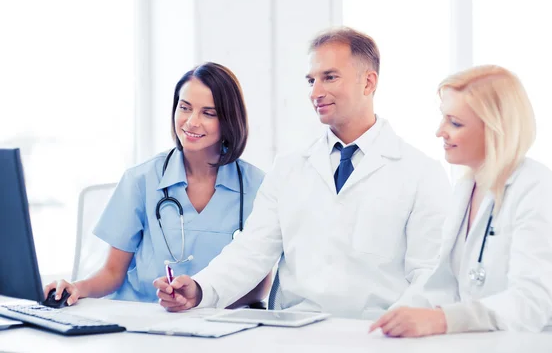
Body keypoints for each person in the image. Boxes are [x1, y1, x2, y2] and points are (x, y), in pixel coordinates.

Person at [153, 27, 452, 319]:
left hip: (374, 335)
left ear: (368, 82)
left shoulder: (421, 173)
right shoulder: (289, 168)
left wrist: (402, 324)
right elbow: (251, 251)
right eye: (311, 81)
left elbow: (429, 273)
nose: (315, 93)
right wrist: (201, 288)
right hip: (294, 332)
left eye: (329, 77)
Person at [370, 65, 552, 337]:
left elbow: (529, 304)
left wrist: (441, 320)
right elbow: (441, 285)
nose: (439, 132)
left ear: (495, 129)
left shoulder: (538, 188)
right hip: (496, 339)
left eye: (455, 123)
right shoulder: (466, 188)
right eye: (443, 118)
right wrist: (390, 321)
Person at [44, 62, 271, 306]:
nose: (191, 122)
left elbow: (259, 286)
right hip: (141, 322)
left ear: (229, 119)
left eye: (208, 113)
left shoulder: (258, 187)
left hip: (219, 325)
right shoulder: (141, 180)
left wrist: (199, 302)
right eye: (184, 108)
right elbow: (112, 273)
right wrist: (76, 288)